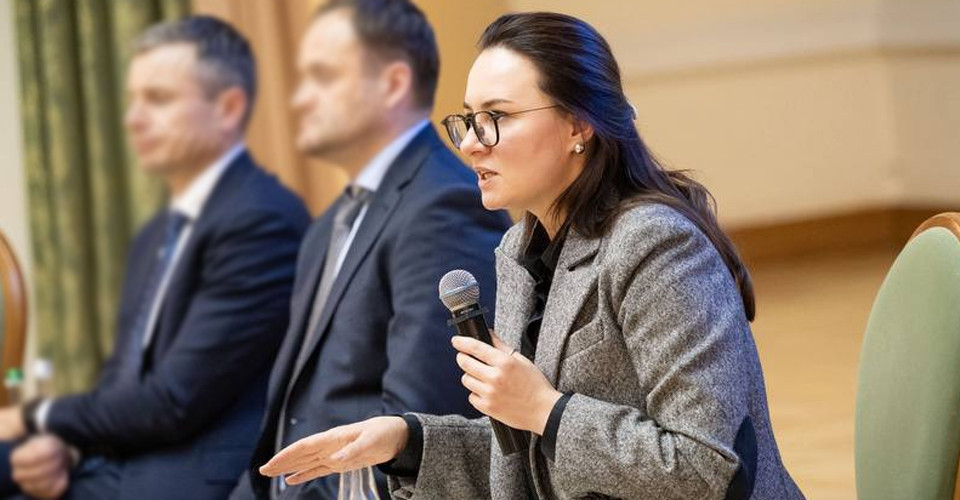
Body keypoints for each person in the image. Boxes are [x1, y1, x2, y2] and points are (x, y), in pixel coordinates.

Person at [259, 11, 807, 500]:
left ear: (578, 125)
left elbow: (706, 469)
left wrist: (546, 408)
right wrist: (406, 442)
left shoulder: (658, 245)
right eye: (469, 118)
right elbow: (526, 458)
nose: (470, 142)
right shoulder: (518, 252)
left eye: (497, 116)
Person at [0, 16, 310, 500]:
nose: (133, 119)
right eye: (133, 99)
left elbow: (173, 403)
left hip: (182, 479)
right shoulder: (155, 235)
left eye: (158, 99)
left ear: (228, 108)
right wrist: (66, 448)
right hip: (114, 464)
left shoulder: (261, 220)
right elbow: (120, 387)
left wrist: (35, 416)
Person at [229, 1, 511, 499]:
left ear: (393, 83)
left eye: (322, 76)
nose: (299, 99)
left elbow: (424, 433)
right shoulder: (327, 227)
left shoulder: (442, 205)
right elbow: (292, 418)